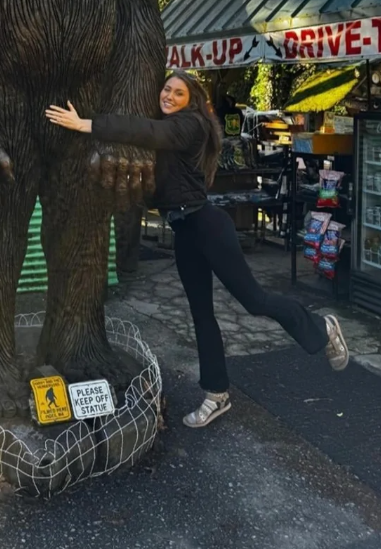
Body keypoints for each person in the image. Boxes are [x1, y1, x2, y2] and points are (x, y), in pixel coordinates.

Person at [45, 70, 349, 429]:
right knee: (201, 313)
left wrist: (86, 124)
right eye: (166, 89)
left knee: (254, 301)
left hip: (208, 225)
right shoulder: (167, 124)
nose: (169, 96)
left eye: (178, 92)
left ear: (192, 100)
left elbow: (147, 132)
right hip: (184, 230)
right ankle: (217, 394)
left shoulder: (189, 126)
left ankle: (322, 328)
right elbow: (143, 136)